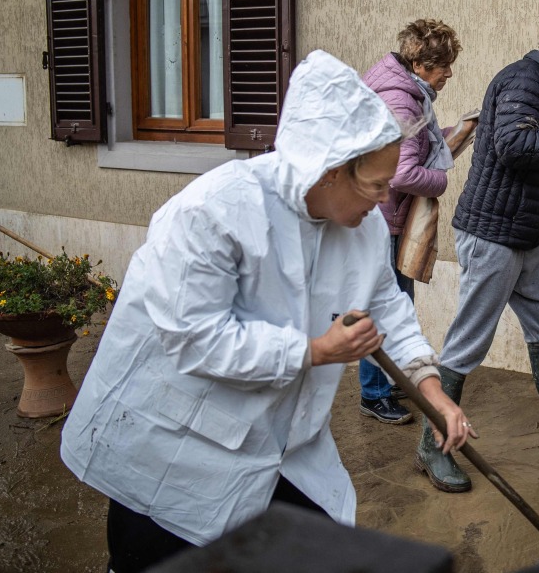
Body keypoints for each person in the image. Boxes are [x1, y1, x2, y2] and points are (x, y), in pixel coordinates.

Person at [60, 51, 474, 573]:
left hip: (281, 445)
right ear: (326, 170)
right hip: (176, 447)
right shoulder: (214, 212)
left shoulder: (363, 226)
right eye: (374, 186)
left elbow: (387, 307)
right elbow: (194, 338)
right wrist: (315, 350)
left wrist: (431, 389)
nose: (385, 197)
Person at [414, 12, 539, 494]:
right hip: (492, 237)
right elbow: (514, 146)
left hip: (520, 233)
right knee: (469, 340)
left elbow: (537, 172)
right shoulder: (524, 82)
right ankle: (431, 444)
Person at [359, 18, 466, 425]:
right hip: (383, 219)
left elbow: (418, 140)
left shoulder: (405, 91)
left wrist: (461, 131)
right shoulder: (403, 100)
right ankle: (374, 393)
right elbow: (402, 173)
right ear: (421, 65)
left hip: (381, 216)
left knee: (393, 304)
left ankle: (383, 388)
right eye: (444, 65)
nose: (449, 72)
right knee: (390, 306)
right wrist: (440, 180)